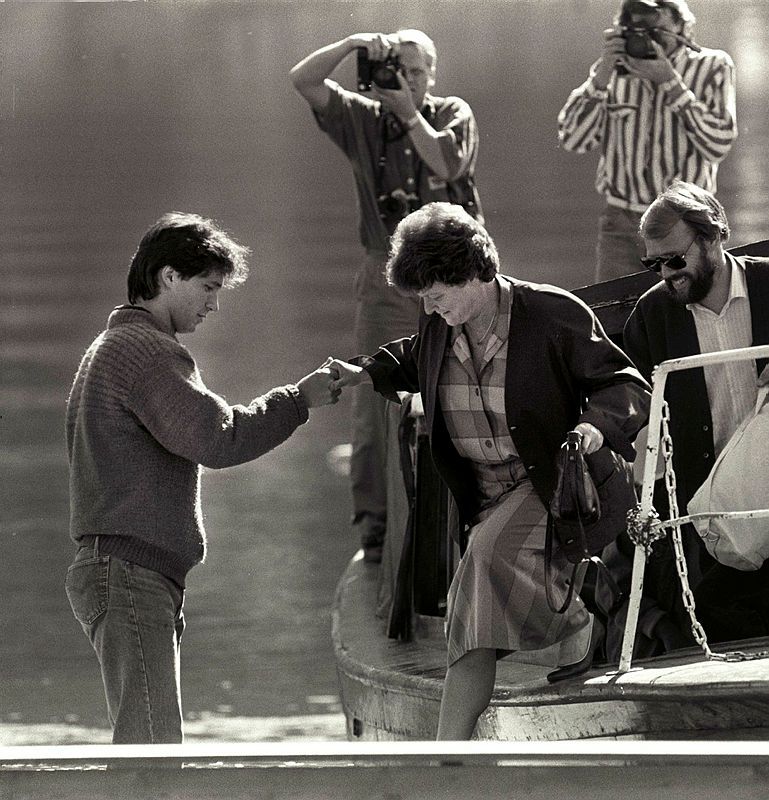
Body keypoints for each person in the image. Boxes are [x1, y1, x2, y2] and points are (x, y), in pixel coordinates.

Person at [328, 202, 650, 739]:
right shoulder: (439, 330)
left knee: (483, 561)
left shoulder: (552, 313)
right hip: (486, 499)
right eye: (424, 297)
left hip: (559, 487)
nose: (429, 307)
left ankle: (447, 757)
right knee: (475, 599)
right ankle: (579, 617)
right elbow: (408, 358)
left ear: (475, 271)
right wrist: (361, 373)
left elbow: (624, 383)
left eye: (437, 292)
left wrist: (596, 426)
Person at [64, 212, 340, 744]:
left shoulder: (111, 347)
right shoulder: (145, 352)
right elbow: (218, 438)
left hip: (124, 568)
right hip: (128, 571)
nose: (214, 304)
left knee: (150, 742)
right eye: (208, 288)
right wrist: (298, 399)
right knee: (151, 752)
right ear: (169, 277)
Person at [290, 29, 483, 562]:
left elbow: (447, 164)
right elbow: (303, 79)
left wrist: (408, 111)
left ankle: (472, 507)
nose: (410, 82)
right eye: (400, 70)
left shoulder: (452, 113)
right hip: (385, 276)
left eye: (419, 73)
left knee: (466, 384)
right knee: (375, 393)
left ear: (433, 76)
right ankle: (375, 524)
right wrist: (353, 44)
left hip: (456, 271)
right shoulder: (361, 118)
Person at [619, 181, 769, 654]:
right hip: (706, 522)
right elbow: (632, 416)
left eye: (675, 260)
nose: (665, 274)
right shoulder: (652, 317)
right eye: (653, 264)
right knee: (712, 618)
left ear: (714, 237)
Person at [557, 0, 737, 283]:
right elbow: (571, 138)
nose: (648, 40)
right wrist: (603, 74)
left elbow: (719, 144)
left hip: (686, 222)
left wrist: (670, 83)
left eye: (657, 31)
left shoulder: (712, 66)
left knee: (685, 315)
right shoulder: (614, 70)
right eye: (638, 31)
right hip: (621, 223)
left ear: (682, 26)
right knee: (613, 319)